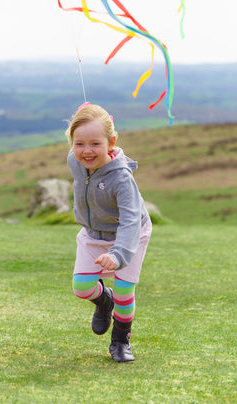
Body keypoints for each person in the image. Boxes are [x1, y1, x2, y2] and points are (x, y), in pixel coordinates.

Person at [65, 103, 152, 363]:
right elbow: (80, 154)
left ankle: (120, 340)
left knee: (125, 290)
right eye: (79, 143)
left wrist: (118, 255)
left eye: (95, 143)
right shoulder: (74, 161)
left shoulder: (122, 179)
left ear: (111, 142)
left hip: (129, 234)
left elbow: (130, 221)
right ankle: (105, 301)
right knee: (81, 287)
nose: (86, 151)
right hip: (93, 233)